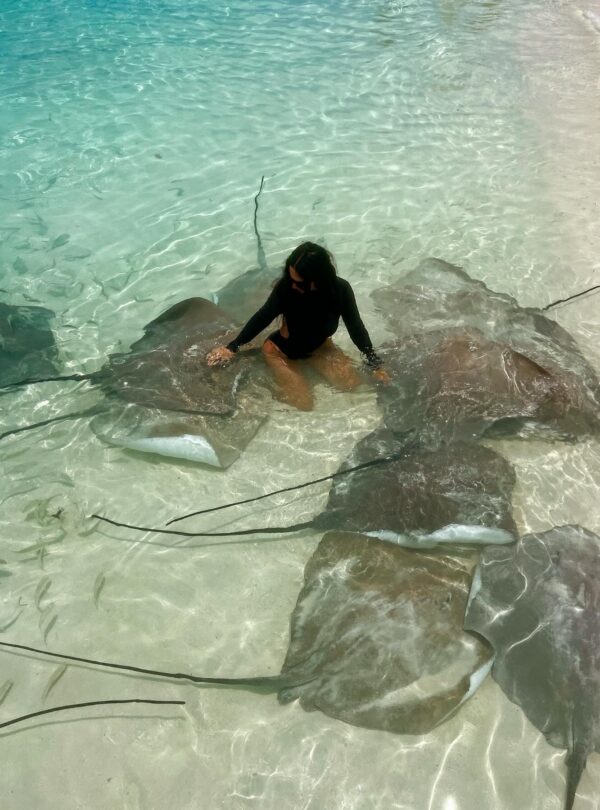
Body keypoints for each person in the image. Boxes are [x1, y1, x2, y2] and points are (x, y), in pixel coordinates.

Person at [207, 242, 389, 410]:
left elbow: (355, 327)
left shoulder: (340, 290)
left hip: (321, 348)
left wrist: (374, 363)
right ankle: (271, 383)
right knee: (304, 405)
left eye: (299, 282)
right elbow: (262, 317)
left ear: (319, 279)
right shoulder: (286, 288)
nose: (293, 285)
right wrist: (232, 347)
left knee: (353, 386)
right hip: (282, 351)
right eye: (290, 277)